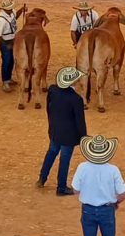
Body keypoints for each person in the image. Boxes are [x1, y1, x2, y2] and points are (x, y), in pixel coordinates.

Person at [37, 67, 88, 196]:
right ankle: (61, 187)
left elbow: (48, 109)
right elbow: (80, 122)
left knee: (51, 153)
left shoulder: (53, 90)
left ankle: (42, 178)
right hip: (68, 135)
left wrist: (51, 124)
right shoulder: (76, 99)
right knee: (64, 160)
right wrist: (83, 137)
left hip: (55, 130)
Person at [71, 135, 125, 236]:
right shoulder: (113, 170)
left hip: (87, 209)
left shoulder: (82, 167)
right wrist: (116, 202)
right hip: (107, 209)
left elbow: (75, 190)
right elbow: (122, 193)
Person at [0, 0, 26, 93]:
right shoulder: (0, 20)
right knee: (6, 61)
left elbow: (15, 17)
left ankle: (8, 78)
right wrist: (5, 45)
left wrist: (22, 9)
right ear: (4, 9)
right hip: (6, 41)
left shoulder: (11, 12)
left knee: (12, 61)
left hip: (13, 40)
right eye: (9, 8)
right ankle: (5, 81)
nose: (11, 9)